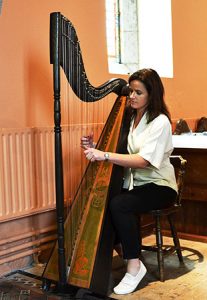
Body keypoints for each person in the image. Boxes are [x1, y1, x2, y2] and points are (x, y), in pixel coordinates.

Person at [81, 68, 177, 295]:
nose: (132, 96)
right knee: (102, 204)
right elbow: (120, 150)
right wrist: (93, 147)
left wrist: (103, 155)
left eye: (138, 92)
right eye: (131, 91)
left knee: (119, 204)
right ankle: (127, 255)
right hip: (134, 184)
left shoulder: (160, 122)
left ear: (151, 95)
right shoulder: (129, 116)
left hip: (159, 185)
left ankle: (133, 265)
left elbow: (143, 161)